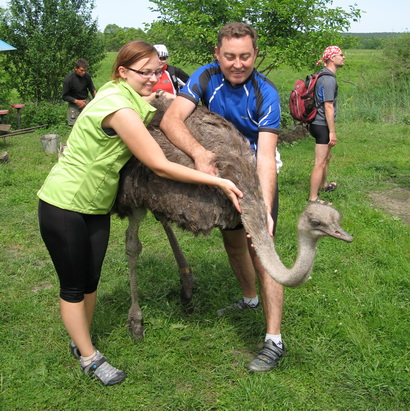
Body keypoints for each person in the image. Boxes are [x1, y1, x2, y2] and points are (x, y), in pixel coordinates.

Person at [38, 41, 242, 386]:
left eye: (156, 71)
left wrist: (166, 99)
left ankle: (81, 337)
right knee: (73, 285)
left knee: (90, 280)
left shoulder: (119, 91)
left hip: (96, 205)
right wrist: (217, 181)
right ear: (123, 71)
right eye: (144, 72)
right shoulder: (118, 109)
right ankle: (89, 357)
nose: (153, 78)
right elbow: (159, 165)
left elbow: (152, 104)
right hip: (64, 203)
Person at [160, 22, 285, 373]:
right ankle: (249, 299)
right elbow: (171, 120)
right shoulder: (205, 77)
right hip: (222, 170)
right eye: (230, 56)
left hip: (255, 171)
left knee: (263, 250)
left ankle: (274, 339)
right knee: (232, 243)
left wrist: (263, 209)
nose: (237, 64)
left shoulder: (266, 93)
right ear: (217, 54)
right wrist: (199, 153)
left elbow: (265, 156)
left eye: (245, 56)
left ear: (255, 54)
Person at [308, 45, 345, 205]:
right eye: (341, 55)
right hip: (322, 124)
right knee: (320, 162)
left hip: (318, 122)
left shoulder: (322, 74)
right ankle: (313, 198)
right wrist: (332, 132)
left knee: (326, 157)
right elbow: (328, 106)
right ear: (331, 58)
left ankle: (323, 185)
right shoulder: (328, 79)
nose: (343, 57)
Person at [62, 59, 97, 126]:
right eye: (81, 70)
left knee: (90, 123)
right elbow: (64, 96)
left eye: (85, 70)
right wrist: (77, 101)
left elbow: (92, 89)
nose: (83, 72)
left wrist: (96, 100)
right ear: (75, 68)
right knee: (74, 125)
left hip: (86, 100)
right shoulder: (68, 80)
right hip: (74, 103)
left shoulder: (87, 76)